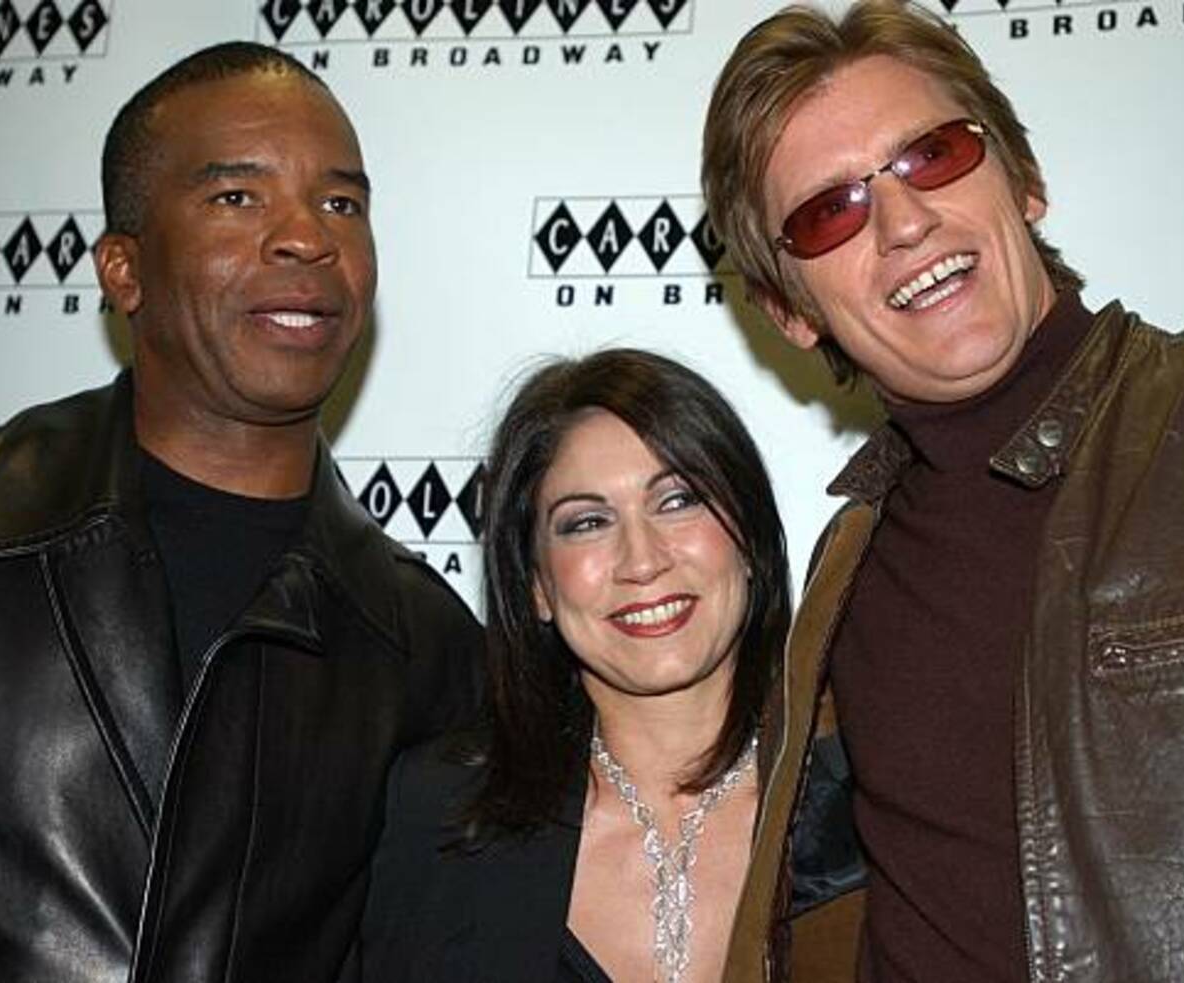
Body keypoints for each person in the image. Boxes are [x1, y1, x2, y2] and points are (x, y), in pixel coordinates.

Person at [700, 2, 1184, 981]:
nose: (905, 221)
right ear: (789, 309)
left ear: (1026, 178)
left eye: (935, 154)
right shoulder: (849, 566)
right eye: (829, 210)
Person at [0, 42, 481, 982]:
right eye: (238, 196)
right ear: (123, 270)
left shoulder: (429, 648)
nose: (307, 236)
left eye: (342, 202)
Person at [361, 349, 856, 982]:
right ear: (537, 584)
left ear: (750, 540)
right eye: (587, 522)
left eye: (678, 500)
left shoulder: (867, 803)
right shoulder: (440, 815)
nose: (642, 560)